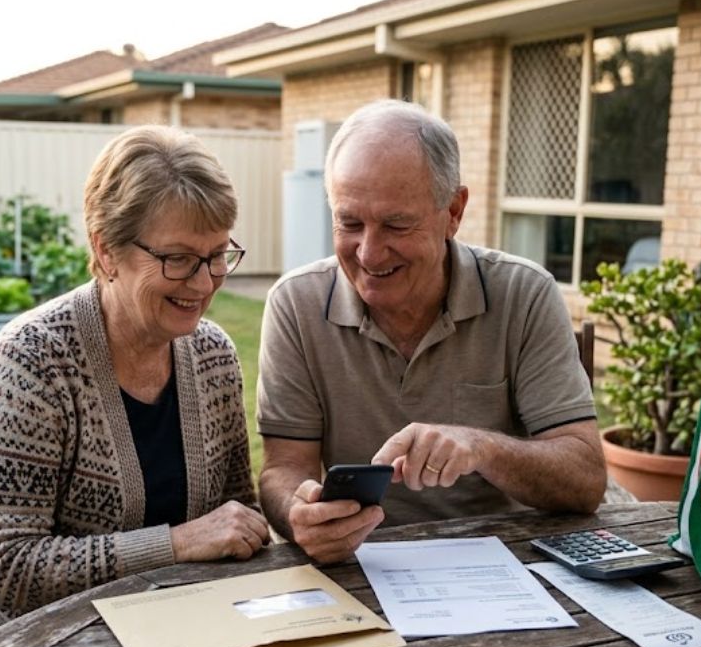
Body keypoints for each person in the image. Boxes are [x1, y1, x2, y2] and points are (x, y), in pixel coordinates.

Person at [0, 125, 270, 647]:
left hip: (155, 630)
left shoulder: (213, 356)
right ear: (106, 249)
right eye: (178, 258)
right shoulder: (31, 364)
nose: (204, 282)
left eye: (217, 255)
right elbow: (5, 568)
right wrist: (175, 544)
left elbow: (235, 516)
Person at [256, 100, 606, 564]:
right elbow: (283, 469)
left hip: (505, 562)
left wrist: (482, 447)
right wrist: (298, 514)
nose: (369, 253)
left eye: (396, 224)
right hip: (361, 565)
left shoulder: (524, 293)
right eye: (349, 223)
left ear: (454, 211)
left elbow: (585, 480)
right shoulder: (296, 304)